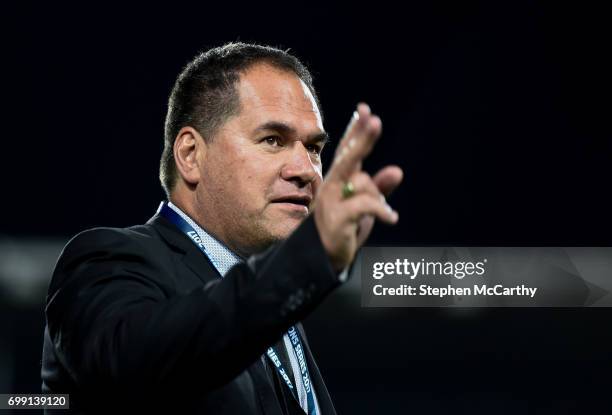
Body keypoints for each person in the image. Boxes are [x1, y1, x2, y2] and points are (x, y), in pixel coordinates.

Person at [41, 42, 403, 414]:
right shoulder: (106, 260)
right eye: (272, 140)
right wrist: (306, 260)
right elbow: (140, 362)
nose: (307, 170)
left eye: (313, 148)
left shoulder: (279, 323)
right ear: (191, 155)